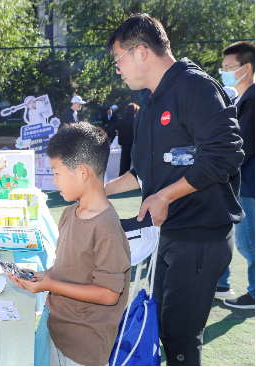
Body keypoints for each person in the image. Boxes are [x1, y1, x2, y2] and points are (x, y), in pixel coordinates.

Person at [104, 14, 244, 366]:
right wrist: (99, 190)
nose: (117, 68)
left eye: (118, 59)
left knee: (181, 340)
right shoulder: (150, 100)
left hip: (199, 235)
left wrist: (165, 195)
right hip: (169, 233)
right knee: (166, 330)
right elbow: (143, 174)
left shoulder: (194, 86)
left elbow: (226, 154)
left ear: (141, 52)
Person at [9, 122, 131, 366]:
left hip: (84, 347)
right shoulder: (69, 213)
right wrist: (42, 276)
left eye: (56, 172)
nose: (54, 181)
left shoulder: (107, 229)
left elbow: (108, 294)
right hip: (57, 327)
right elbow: (67, 267)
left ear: (82, 173)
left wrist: (50, 284)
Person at [216, 41, 255, 309]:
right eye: (223, 68)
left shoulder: (252, 100)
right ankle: (228, 284)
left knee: (248, 241)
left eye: (230, 67)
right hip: (243, 182)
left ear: (247, 68)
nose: (224, 72)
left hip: (250, 183)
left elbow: (245, 144)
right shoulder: (241, 99)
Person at [114, 103, 139, 176]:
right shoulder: (135, 120)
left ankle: (122, 181)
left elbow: (112, 129)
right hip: (134, 145)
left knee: (124, 166)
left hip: (125, 145)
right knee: (136, 166)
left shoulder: (122, 120)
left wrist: (120, 140)